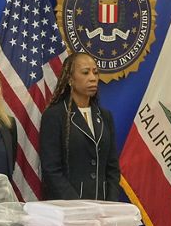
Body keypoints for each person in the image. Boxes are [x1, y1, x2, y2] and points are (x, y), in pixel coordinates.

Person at [39, 52, 120, 200]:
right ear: (70, 79)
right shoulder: (54, 116)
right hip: (69, 210)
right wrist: (79, 206)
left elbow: (112, 169)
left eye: (95, 73)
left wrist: (111, 205)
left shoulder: (105, 116)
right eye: (85, 72)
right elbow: (51, 170)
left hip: (103, 211)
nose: (92, 78)